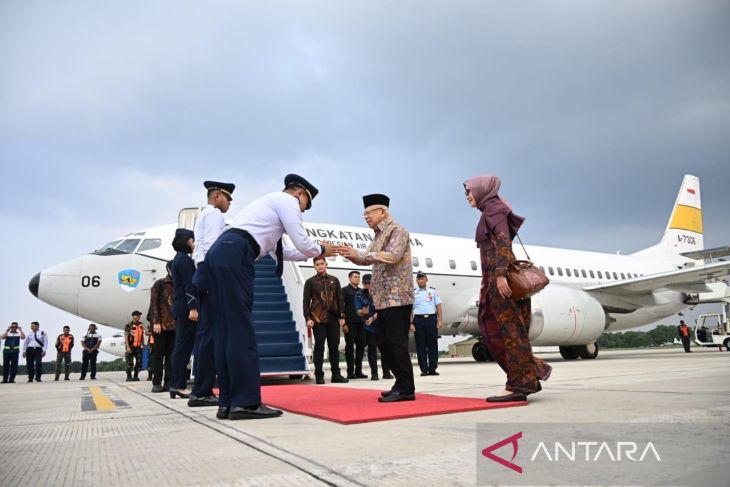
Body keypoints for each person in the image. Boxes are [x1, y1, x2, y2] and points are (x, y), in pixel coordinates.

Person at [202, 173, 337, 420]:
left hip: (221, 253)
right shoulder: (288, 202)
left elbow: (283, 251)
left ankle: (228, 402)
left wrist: (312, 252)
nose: (302, 211)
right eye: (305, 205)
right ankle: (246, 403)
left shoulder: (266, 208)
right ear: (300, 194)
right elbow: (302, 241)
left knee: (225, 332)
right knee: (241, 331)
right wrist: (321, 250)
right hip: (236, 255)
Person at [463, 175, 552, 403]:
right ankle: (530, 374)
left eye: (469, 191)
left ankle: (518, 385)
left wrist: (500, 276)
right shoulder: (490, 211)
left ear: (483, 190)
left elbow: (503, 241)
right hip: (492, 281)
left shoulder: (495, 210)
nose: (467, 196)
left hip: (500, 282)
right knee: (493, 327)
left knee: (510, 332)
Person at [339, 194, 416, 403]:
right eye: (364, 213)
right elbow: (367, 259)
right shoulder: (377, 236)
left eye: (369, 212)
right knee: (383, 341)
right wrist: (353, 255)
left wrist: (363, 255)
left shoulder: (397, 231)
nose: (365, 216)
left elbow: (392, 256)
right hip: (382, 300)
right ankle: (400, 383)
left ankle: (407, 388)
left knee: (396, 342)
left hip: (397, 297)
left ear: (382, 212)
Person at [189, 180, 235, 408]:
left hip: (202, 273)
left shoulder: (204, 216)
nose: (230, 203)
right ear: (217, 196)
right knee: (211, 336)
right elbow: (213, 247)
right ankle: (202, 390)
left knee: (206, 334)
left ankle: (201, 389)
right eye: (228, 198)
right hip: (210, 272)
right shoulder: (215, 215)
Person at [303, 257, 348, 384]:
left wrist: (342, 316)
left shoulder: (334, 280)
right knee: (319, 347)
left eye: (322, 263)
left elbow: (340, 299)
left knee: (334, 347)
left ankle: (336, 374)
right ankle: (319, 375)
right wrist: (308, 318)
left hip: (334, 317)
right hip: (318, 318)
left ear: (326, 265)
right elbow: (306, 301)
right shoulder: (310, 282)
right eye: (317, 264)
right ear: (314, 267)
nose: (320, 266)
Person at [170, 228, 198, 399]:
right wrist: (193, 308)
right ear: (186, 241)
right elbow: (189, 286)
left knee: (180, 347)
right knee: (183, 348)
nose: (194, 244)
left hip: (181, 308)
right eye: (192, 240)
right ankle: (178, 385)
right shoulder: (185, 261)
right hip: (187, 309)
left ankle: (176, 384)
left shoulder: (177, 260)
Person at [355, 274, 392, 381]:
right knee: (372, 350)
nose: (367, 286)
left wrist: (372, 318)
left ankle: (386, 372)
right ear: (362, 284)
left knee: (385, 349)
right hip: (369, 327)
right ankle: (374, 373)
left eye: (369, 284)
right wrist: (363, 312)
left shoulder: (381, 293)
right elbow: (358, 311)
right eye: (365, 284)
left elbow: (384, 309)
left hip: (382, 324)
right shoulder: (359, 294)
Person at [149, 261, 176, 393]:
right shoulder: (159, 284)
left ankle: (169, 383)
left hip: (174, 326)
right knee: (158, 355)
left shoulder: (181, 284)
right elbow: (154, 304)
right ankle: (157, 382)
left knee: (171, 355)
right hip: (160, 325)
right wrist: (156, 322)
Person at [411, 272, 443, 377]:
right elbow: (410, 309)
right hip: (418, 320)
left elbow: (438, 305)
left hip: (431, 319)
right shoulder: (413, 292)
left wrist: (440, 320)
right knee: (421, 346)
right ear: (416, 281)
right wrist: (410, 323)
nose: (420, 281)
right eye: (419, 279)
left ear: (426, 280)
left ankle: (432, 368)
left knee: (433, 345)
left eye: (422, 279)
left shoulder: (432, 291)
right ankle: (424, 369)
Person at [342, 270, 367, 379]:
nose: (357, 279)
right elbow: (342, 307)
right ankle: (350, 371)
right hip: (350, 322)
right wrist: (343, 323)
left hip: (361, 322)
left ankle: (358, 371)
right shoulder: (345, 290)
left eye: (358, 277)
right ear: (350, 278)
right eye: (355, 277)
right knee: (349, 347)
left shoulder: (362, 291)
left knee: (361, 347)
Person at [124, 311, 146, 382]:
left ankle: (136, 376)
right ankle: (129, 376)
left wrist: (143, 344)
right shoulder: (128, 325)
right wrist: (128, 347)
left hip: (138, 347)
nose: (138, 317)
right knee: (129, 363)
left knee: (139, 362)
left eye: (139, 316)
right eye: (137, 315)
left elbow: (142, 336)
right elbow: (126, 337)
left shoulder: (141, 325)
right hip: (131, 346)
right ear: (133, 316)